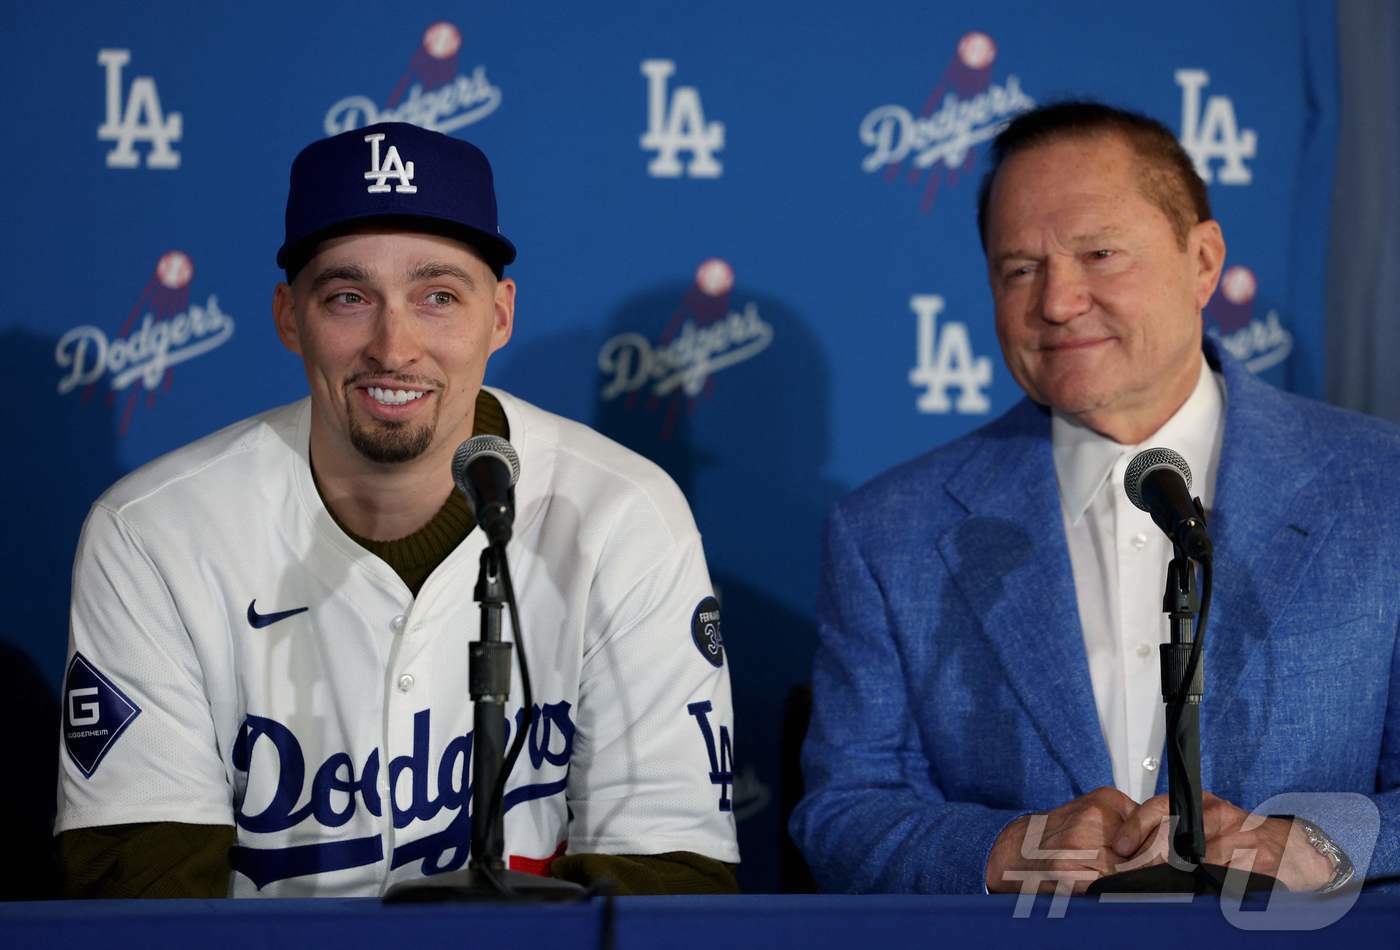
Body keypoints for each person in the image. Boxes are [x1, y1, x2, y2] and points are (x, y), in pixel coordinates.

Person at [55, 122, 739, 898]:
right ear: (288, 316)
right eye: (349, 296)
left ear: (501, 314)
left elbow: (667, 875)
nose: (393, 344)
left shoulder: (623, 514)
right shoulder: (153, 531)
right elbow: (141, 894)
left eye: (438, 296)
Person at [791, 101, 1400, 895]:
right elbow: (843, 811)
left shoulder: (1379, 488)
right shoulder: (887, 533)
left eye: (1100, 254)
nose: (1056, 300)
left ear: (1204, 261)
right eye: (1020, 269)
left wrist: (1317, 843)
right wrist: (1002, 849)